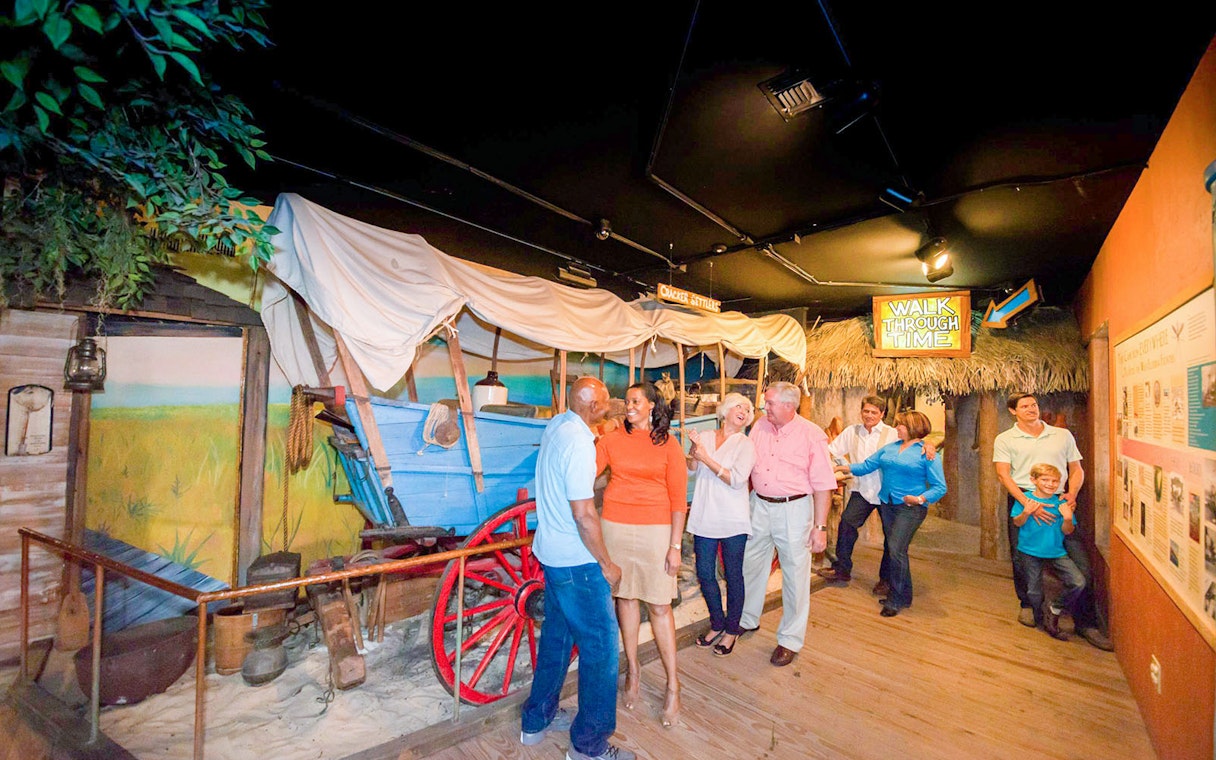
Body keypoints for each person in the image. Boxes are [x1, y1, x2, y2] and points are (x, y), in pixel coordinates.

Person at [520, 377, 636, 760]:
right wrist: (607, 564)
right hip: (578, 562)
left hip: (551, 555)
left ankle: (536, 721)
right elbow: (585, 515)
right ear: (590, 406)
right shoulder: (581, 443)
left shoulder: (558, 425)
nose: (610, 404)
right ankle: (589, 745)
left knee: (556, 638)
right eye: (604, 401)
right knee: (602, 650)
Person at [595, 382, 688, 727]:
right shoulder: (611, 440)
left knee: (660, 605)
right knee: (626, 599)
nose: (628, 406)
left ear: (651, 405)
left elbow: (679, 501)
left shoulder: (668, 444)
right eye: (626, 401)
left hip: (656, 530)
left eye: (635, 401)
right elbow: (586, 472)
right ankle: (632, 672)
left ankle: (673, 684)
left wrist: (675, 546)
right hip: (616, 527)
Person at [992, 392, 1113, 650]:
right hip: (1024, 497)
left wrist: (1072, 494)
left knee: (1080, 560)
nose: (1031, 409)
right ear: (1013, 411)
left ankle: (1085, 622)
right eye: (1024, 406)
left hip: (1059, 500)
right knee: (1021, 556)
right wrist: (1027, 504)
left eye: (1034, 405)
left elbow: (1076, 469)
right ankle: (1028, 605)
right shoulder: (1005, 439)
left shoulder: (1062, 435)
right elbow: (1004, 475)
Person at [738, 381, 837, 667]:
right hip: (760, 505)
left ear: (788, 406)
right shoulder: (759, 427)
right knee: (752, 564)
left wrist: (820, 528)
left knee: (795, 574)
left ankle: (790, 639)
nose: (764, 407)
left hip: (794, 509)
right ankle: (747, 618)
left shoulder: (811, 435)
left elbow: (823, 485)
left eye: (769, 403)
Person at [837, 410, 946, 617]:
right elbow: (867, 466)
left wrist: (920, 499)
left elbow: (940, 487)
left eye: (901, 425)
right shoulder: (890, 448)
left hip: (910, 509)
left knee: (896, 549)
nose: (896, 428)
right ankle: (904, 595)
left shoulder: (927, 453)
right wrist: (842, 467)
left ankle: (895, 599)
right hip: (887, 504)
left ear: (913, 427)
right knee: (898, 550)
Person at [684, 392, 757, 657]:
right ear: (725, 410)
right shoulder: (703, 437)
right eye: (738, 405)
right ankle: (717, 622)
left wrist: (705, 459)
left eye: (747, 409)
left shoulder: (745, 444)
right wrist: (694, 454)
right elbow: (691, 468)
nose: (744, 410)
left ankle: (732, 629)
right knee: (704, 572)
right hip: (705, 515)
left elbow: (737, 480)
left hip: (732, 518)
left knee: (733, 574)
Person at [816, 395, 899, 595]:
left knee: (891, 537)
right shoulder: (851, 432)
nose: (869, 415)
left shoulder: (893, 434)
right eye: (866, 411)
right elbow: (831, 450)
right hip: (862, 490)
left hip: (887, 492)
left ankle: (886, 580)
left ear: (882, 414)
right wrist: (839, 464)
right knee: (847, 525)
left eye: (874, 412)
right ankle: (842, 570)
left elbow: (911, 447)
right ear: (861, 411)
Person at [1013, 463, 1088, 641]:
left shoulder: (1062, 503)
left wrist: (1068, 517)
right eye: (1045, 480)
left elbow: (1068, 531)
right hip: (1029, 551)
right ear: (1033, 480)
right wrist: (1026, 512)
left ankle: (1054, 608)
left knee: (1078, 582)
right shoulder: (1025, 499)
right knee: (1034, 592)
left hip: (1056, 551)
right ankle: (1042, 617)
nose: (1050, 484)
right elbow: (1017, 522)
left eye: (1055, 481)